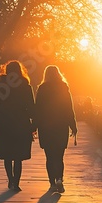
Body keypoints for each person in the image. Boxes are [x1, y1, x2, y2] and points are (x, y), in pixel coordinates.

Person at [0, 60, 35, 191]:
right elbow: (31, 107)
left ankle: (10, 179)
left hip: (4, 124)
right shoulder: (25, 86)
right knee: (18, 155)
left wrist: (1, 113)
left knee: (7, 154)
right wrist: (34, 123)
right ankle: (16, 182)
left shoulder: (1, 86)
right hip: (21, 124)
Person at [35, 65, 77, 193]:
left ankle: (52, 182)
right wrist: (73, 125)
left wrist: (34, 126)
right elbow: (69, 108)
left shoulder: (42, 89)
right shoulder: (64, 88)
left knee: (49, 156)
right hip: (60, 126)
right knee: (59, 156)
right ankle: (60, 179)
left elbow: (38, 109)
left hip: (46, 127)